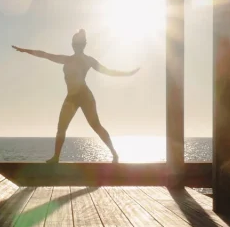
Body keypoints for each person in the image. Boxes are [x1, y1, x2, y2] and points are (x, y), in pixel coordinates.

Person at [12, 29, 139, 164]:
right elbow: (45, 55)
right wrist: (25, 50)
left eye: (78, 44)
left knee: (95, 125)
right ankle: (56, 158)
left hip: (85, 96)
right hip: (71, 97)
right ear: (72, 45)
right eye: (74, 44)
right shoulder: (67, 59)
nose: (75, 46)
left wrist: (127, 74)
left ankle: (114, 154)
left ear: (83, 45)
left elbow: (107, 71)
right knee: (61, 128)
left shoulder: (88, 60)